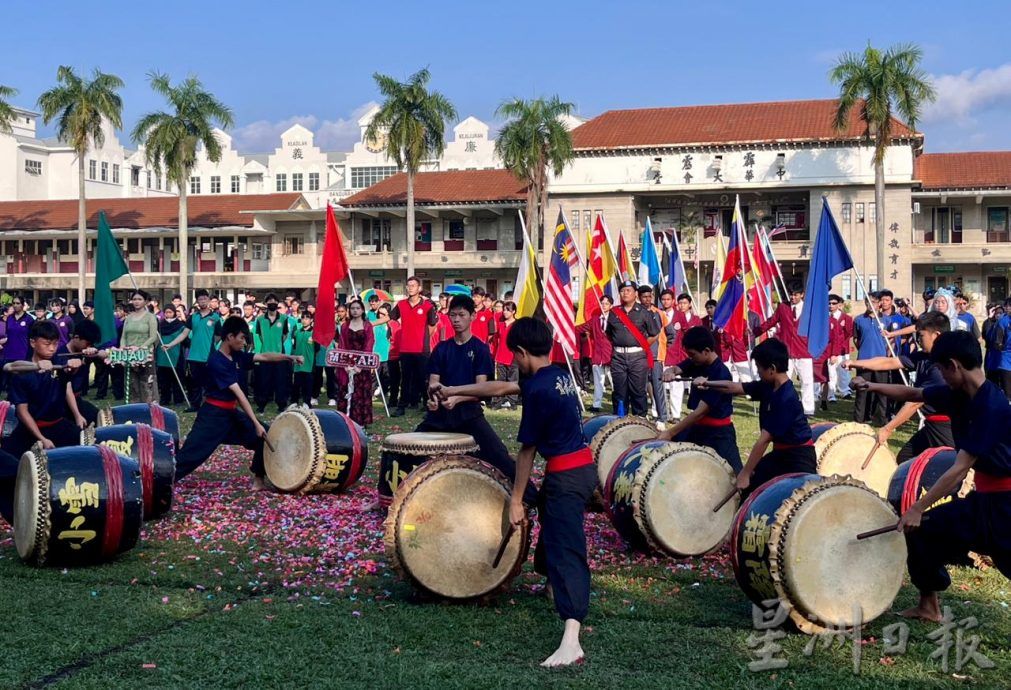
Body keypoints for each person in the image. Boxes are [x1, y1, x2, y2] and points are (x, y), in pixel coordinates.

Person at [433, 317, 596, 667]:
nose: (514, 364)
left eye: (514, 357)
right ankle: (551, 584)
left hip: (567, 476)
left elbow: (526, 452)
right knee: (553, 534)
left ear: (522, 352)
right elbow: (499, 389)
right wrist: (455, 392)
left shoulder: (538, 390)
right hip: (580, 469)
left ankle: (572, 636)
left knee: (567, 548)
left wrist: (517, 501)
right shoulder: (558, 376)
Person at [850, 330, 1011, 622]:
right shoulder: (958, 395)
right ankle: (928, 606)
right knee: (923, 531)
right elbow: (914, 394)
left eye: (940, 369)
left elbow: (960, 468)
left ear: (954, 365)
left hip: (1006, 505)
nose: (940, 376)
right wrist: (870, 384)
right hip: (982, 501)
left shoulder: (992, 405)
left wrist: (917, 507)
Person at [376, 295, 536, 507]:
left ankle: (533, 498)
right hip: (439, 416)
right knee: (403, 450)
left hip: (469, 415)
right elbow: (433, 383)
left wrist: (456, 398)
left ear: (472, 317)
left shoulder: (480, 349)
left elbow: (481, 389)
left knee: (499, 456)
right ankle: (386, 500)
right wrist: (433, 400)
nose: (456, 319)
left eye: (461, 315)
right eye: (453, 315)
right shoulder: (442, 349)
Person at [174, 316, 303, 489]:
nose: (244, 342)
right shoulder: (216, 361)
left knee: (265, 435)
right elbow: (240, 396)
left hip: (231, 415)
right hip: (212, 417)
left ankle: (258, 479)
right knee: (190, 457)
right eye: (241, 338)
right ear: (229, 337)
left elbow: (264, 356)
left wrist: (290, 357)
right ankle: (158, 480)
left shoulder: (237, 356)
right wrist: (255, 422)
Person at [692, 338, 816, 498]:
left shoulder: (786, 399)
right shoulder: (768, 386)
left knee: (796, 501)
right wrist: (708, 383)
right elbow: (734, 387)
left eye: (759, 368)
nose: (757, 372)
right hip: (780, 455)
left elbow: (763, 440)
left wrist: (745, 472)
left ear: (772, 369)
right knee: (752, 488)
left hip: (799, 459)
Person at [845, 311, 954, 464]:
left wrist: (888, 428)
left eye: (921, 336)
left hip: (948, 427)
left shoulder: (940, 368)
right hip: (931, 424)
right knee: (906, 459)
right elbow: (888, 362)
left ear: (936, 335)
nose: (918, 340)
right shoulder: (924, 357)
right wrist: (855, 363)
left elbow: (915, 402)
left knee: (949, 469)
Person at [658, 326, 742, 471]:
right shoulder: (697, 361)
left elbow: (700, 412)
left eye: (692, 355)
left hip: (719, 434)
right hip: (696, 428)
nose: (690, 358)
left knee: (737, 477)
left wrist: (671, 432)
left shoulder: (721, 373)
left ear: (706, 351)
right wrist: (670, 372)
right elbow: (677, 369)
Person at [1, 320, 87, 458]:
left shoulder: (58, 364)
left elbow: (68, 382)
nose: (52, 348)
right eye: (47, 344)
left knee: (84, 450)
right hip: (31, 429)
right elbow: (22, 412)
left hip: (59, 424)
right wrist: (41, 438)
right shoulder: (22, 373)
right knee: (10, 464)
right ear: (33, 343)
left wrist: (75, 366)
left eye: (55, 343)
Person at [754, 283, 814, 416]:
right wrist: (755, 332)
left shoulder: (809, 309)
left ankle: (808, 409)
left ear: (802, 294)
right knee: (782, 380)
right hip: (787, 351)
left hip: (804, 350)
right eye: (791, 295)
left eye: (796, 295)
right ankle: (781, 404)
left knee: (807, 381)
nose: (793, 297)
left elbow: (816, 329)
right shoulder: (783, 307)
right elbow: (771, 321)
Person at [606, 280, 659, 416]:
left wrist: (642, 346)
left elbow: (655, 333)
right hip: (618, 357)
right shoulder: (614, 312)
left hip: (637, 358)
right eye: (622, 291)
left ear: (636, 293)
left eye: (628, 290)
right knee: (619, 392)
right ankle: (620, 420)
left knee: (638, 392)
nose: (625, 293)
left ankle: (640, 422)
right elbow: (609, 334)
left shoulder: (644, 312)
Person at [391, 276, 438, 416]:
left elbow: (432, 325)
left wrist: (423, 339)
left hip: (421, 350)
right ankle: (401, 406)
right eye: (408, 285)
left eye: (413, 285)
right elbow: (390, 317)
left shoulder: (428, 306)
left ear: (419, 288)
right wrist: (370, 323)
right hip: (405, 349)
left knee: (424, 378)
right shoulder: (401, 304)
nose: (410, 288)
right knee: (405, 379)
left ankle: (429, 405)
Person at [852, 293, 890, 427]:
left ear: (879, 303)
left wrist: (886, 354)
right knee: (862, 391)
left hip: (881, 362)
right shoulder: (858, 320)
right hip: (864, 361)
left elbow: (890, 340)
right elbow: (856, 339)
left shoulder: (886, 320)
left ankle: (881, 419)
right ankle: (859, 419)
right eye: (868, 302)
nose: (870, 305)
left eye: (873, 302)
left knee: (881, 392)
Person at [336, 300, 375, 427]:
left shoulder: (368, 326)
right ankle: (345, 421)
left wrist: (360, 366)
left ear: (362, 310)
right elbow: (342, 346)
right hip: (347, 365)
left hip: (362, 366)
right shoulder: (344, 326)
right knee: (346, 391)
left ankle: (360, 423)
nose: (355, 310)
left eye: (358, 308)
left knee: (361, 392)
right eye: (352, 308)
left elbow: (369, 346)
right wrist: (346, 365)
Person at [663, 292, 701, 419]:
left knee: (686, 384)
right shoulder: (666, 315)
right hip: (667, 354)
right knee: (667, 385)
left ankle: (684, 411)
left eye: (684, 303)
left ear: (690, 304)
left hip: (685, 355)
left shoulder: (692, 319)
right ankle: (667, 413)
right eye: (680, 303)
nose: (682, 305)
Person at [253, 294, 292, 413]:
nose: (272, 303)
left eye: (275, 301)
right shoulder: (260, 319)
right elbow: (259, 335)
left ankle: (281, 405)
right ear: (266, 303)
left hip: (279, 355)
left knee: (280, 381)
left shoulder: (284, 318)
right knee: (263, 381)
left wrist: (277, 345)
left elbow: (285, 335)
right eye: (270, 301)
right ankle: (261, 404)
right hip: (265, 355)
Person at [121, 290, 160, 404]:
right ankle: (134, 410)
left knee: (147, 384)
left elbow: (153, 337)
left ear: (146, 301)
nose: (136, 302)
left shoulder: (150, 317)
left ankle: (150, 409)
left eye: (139, 299)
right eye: (134, 299)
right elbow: (123, 336)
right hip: (129, 355)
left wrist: (140, 348)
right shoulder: (128, 317)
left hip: (145, 355)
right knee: (132, 385)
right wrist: (123, 348)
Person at [185, 289, 222, 411]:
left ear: (209, 300)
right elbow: (184, 333)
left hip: (208, 355)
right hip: (193, 355)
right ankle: (195, 405)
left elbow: (218, 335)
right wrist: (171, 344)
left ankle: (208, 404)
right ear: (197, 301)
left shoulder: (215, 317)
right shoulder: (193, 317)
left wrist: (209, 345)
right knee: (195, 383)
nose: (203, 301)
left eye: (205, 299)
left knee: (208, 382)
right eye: (200, 299)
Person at [576, 295, 613, 412]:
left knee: (614, 382)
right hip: (598, 355)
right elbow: (582, 328)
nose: (604, 305)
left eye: (606, 303)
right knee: (598, 381)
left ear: (611, 306)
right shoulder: (595, 319)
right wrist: (567, 328)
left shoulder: (614, 319)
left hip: (611, 355)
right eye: (602, 303)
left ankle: (619, 404)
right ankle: (596, 404)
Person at [638, 285, 668, 426]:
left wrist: (662, 348)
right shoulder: (635, 313)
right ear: (639, 297)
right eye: (644, 296)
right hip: (639, 356)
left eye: (650, 296)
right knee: (640, 386)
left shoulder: (659, 313)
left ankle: (662, 417)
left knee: (657, 386)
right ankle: (642, 414)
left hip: (656, 357)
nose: (647, 299)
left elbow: (671, 333)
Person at [157, 305, 190, 406]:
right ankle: (165, 399)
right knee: (164, 379)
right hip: (163, 355)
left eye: (170, 312)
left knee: (177, 378)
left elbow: (186, 340)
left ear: (174, 313)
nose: (168, 314)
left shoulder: (180, 325)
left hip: (176, 355)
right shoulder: (160, 325)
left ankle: (178, 399)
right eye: (166, 312)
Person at [491, 301, 518, 409]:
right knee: (500, 381)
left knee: (512, 380)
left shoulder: (517, 325)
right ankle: (497, 401)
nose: (505, 312)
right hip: (501, 356)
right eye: (504, 310)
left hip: (513, 356)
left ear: (514, 311)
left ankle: (512, 402)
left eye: (508, 310)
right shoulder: (501, 324)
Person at [830, 295, 855, 398]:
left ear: (839, 305)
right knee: (831, 372)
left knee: (843, 371)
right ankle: (831, 393)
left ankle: (845, 391)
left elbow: (850, 333)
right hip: (830, 350)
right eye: (829, 303)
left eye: (834, 303)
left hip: (843, 350)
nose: (831, 305)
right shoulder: (825, 317)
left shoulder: (846, 318)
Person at [291, 311, 318, 407]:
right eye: (303, 318)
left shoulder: (314, 333)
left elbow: (317, 349)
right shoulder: (297, 332)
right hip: (298, 364)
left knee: (308, 384)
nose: (304, 320)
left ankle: (307, 402)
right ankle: (294, 402)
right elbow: (294, 347)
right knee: (296, 384)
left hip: (309, 364)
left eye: (307, 318)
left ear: (311, 320)